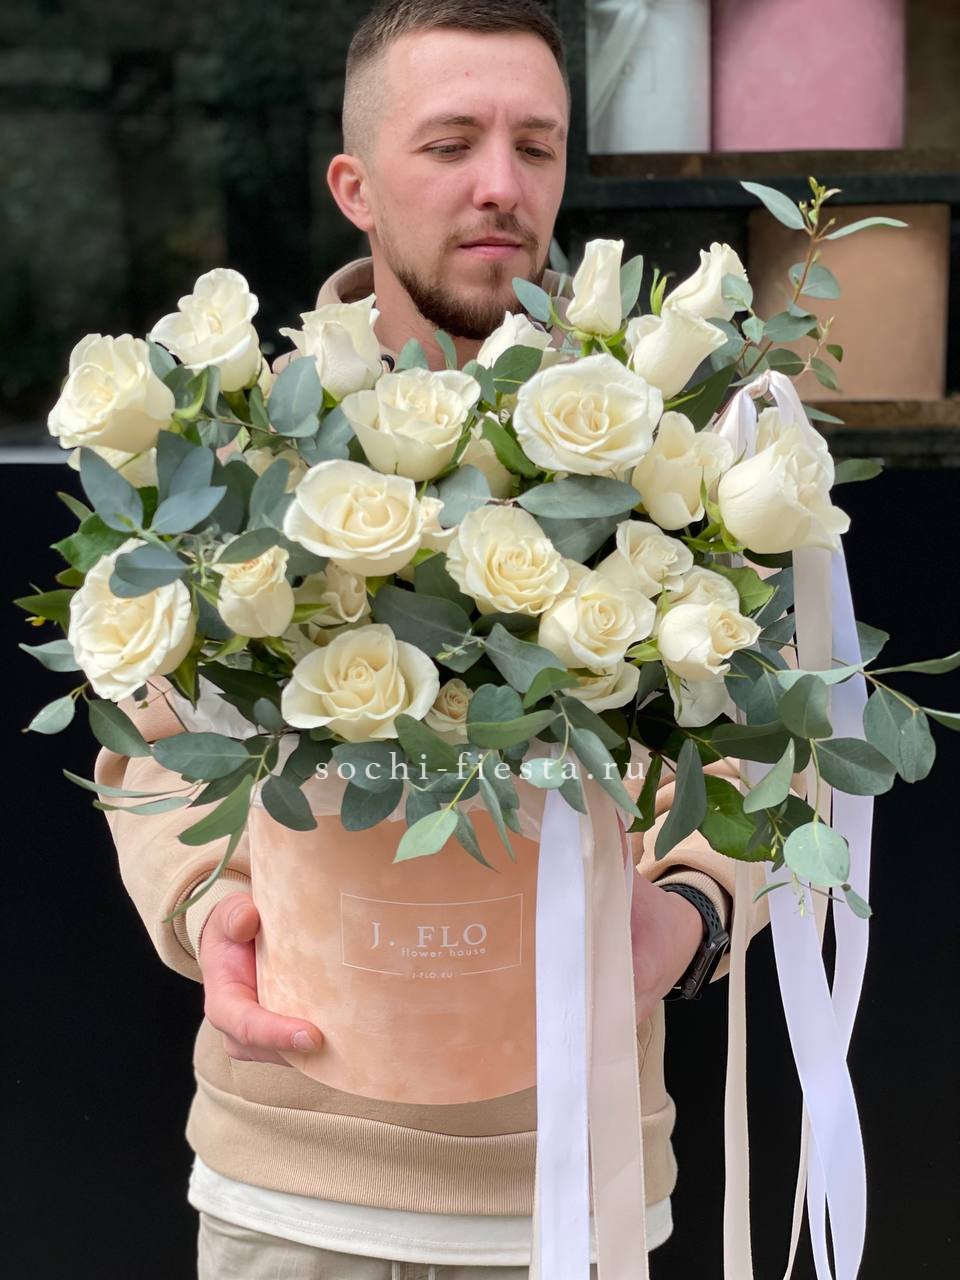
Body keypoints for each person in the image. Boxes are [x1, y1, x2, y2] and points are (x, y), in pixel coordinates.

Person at [95, 2, 766, 1276]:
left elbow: (759, 744)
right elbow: (151, 742)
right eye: (451, 144)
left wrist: (688, 915)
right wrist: (205, 904)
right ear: (354, 184)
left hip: (572, 1186)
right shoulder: (235, 444)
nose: (501, 185)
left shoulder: (663, 447)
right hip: (292, 1185)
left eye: (536, 145)